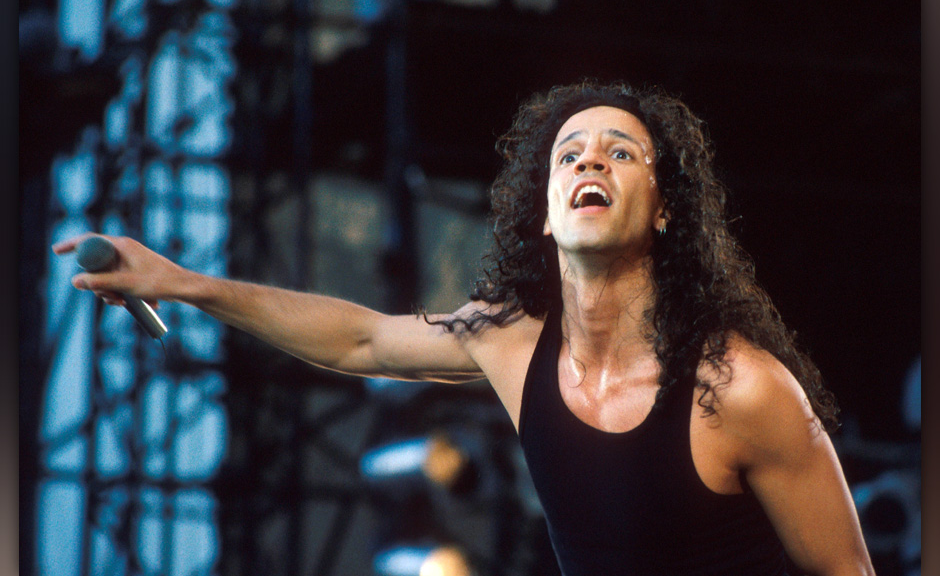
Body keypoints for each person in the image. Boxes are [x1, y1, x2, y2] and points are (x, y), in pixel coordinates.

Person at [54, 80, 874, 575]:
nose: (590, 161)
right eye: (570, 154)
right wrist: (180, 282)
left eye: (622, 153)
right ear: (547, 217)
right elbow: (360, 340)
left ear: (665, 212)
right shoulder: (512, 343)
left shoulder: (741, 388)